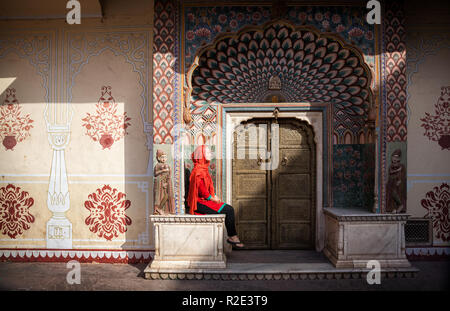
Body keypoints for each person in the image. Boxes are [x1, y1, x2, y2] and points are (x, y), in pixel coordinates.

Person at [187, 145, 244, 249]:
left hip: (205, 201)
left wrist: (213, 196)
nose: (210, 154)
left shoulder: (203, 169)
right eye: (207, 152)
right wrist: (212, 198)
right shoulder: (198, 171)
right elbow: (202, 191)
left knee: (228, 209)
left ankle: (232, 236)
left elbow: (207, 189)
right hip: (199, 203)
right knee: (229, 210)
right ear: (201, 155)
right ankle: (232, 237)